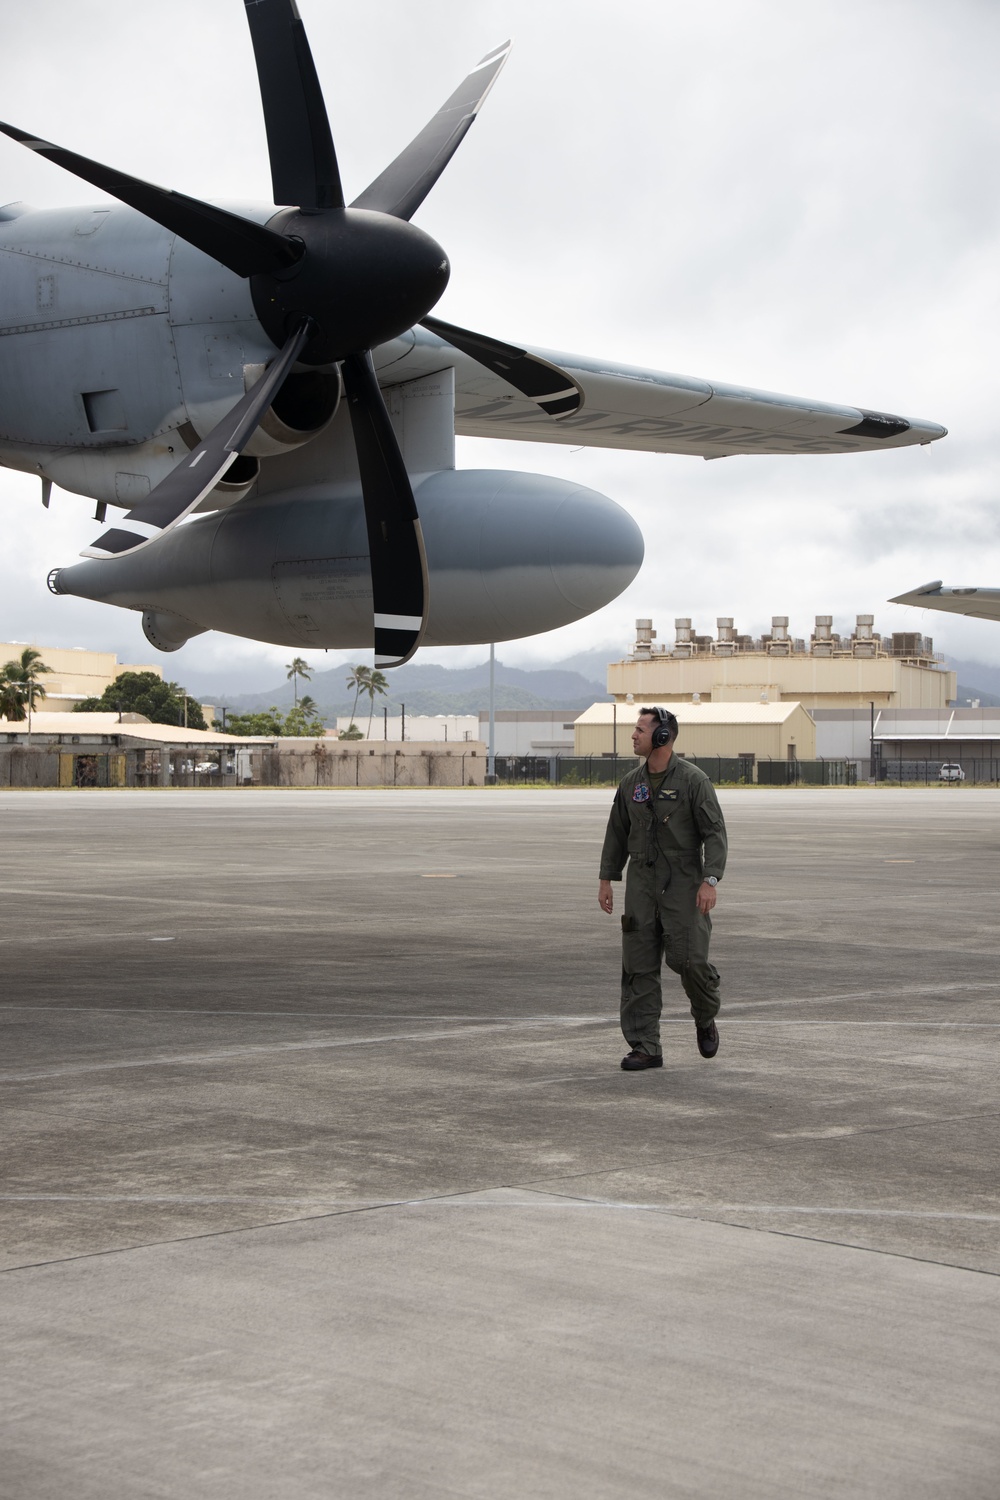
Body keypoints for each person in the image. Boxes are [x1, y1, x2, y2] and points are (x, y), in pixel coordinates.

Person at [598, 707, 728, 1071]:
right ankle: (646, 1046)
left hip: (684, 883)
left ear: (662, 736)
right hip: (641, 883)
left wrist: (710, 879)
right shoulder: (631, 784)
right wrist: (607, 879)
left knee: (690, 961)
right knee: (638, 965)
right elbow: (617, 833)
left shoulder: (693, 781)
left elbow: (715, 833)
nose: (633, 735)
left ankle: (704, 1015)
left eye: (640, 730)